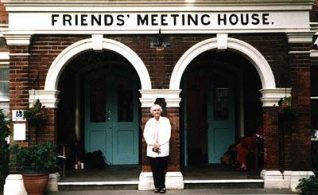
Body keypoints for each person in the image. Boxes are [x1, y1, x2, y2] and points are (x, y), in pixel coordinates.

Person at [143, 104, 171, 193]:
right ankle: (157, 186)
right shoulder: (149, 122)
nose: (156, 112)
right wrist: (153, 143)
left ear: (161, 111)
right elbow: (146, 134)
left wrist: (160, 144)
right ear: (152, 112)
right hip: (152, 148)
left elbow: (168, 134)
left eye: (158, 110)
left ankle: (162, 186)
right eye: (154, 110)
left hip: (163, 147)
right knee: (155, 169)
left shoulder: (165, 120)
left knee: (162, 168)